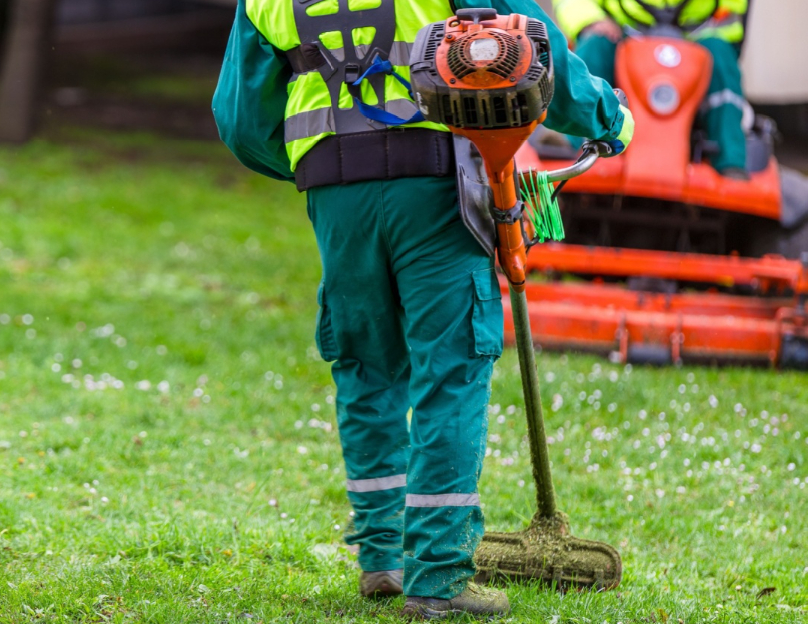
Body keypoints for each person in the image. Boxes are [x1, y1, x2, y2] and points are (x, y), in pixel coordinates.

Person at [213, 0, 632, 618]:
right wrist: (609, 117)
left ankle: (382, 559)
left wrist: (317, 165)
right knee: (452, 366)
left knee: (364, 365)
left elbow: (241, 121)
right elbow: (536, 50)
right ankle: (436, 576)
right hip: (435, 184)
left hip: (334, 191)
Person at [556, 0, 749, 179]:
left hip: (698, 35)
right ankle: (570, 146)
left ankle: (731, 162)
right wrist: (591, 21)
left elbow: (732, 12)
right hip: (620, 31)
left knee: (721, 58)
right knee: (593, 49)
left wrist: (713, 24)